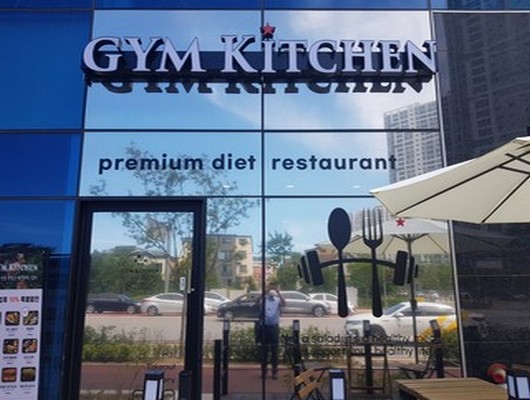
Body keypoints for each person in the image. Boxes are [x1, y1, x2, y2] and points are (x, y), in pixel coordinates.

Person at [259, 284, 285, 379]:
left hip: (274, 327)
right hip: (264, 327)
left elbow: (284, 303)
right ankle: (264, 372)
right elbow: (256, 302)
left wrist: (278, 293)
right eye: (271, 288)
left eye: (273, 288)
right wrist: (264, 292)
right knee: (264, 351)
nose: (272, 290)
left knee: (274, 351)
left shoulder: (277, 300)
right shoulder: (264, 299)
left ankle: (274, 372)